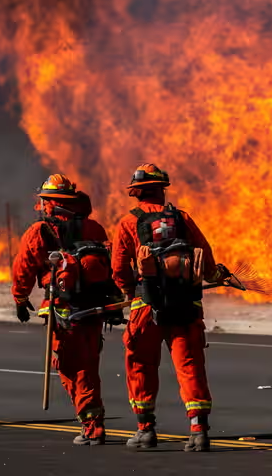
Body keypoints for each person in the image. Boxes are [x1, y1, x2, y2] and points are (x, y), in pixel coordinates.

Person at [111, 163, 219, 452]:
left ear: (136, 193)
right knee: (190, 365)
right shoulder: (182, 218)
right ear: (162, 190)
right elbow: (205, 258)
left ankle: (145, 430)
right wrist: (215, 275)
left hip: (147, 305)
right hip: (186, 304)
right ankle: (199, 432)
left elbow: (119, 268)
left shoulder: (128, 222)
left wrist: (126, 291)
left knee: (141, 364)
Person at [11, 174, 120, 446]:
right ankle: (92, 422)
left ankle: (92, 426)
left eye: (44, 201)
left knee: (73, 369)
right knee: (89, 365)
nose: (42, 206)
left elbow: (23, 269)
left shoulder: (40, 231)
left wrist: (21, 299)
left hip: (64, 310)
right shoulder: (95, 228)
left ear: (50, 203)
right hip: (95, 309)